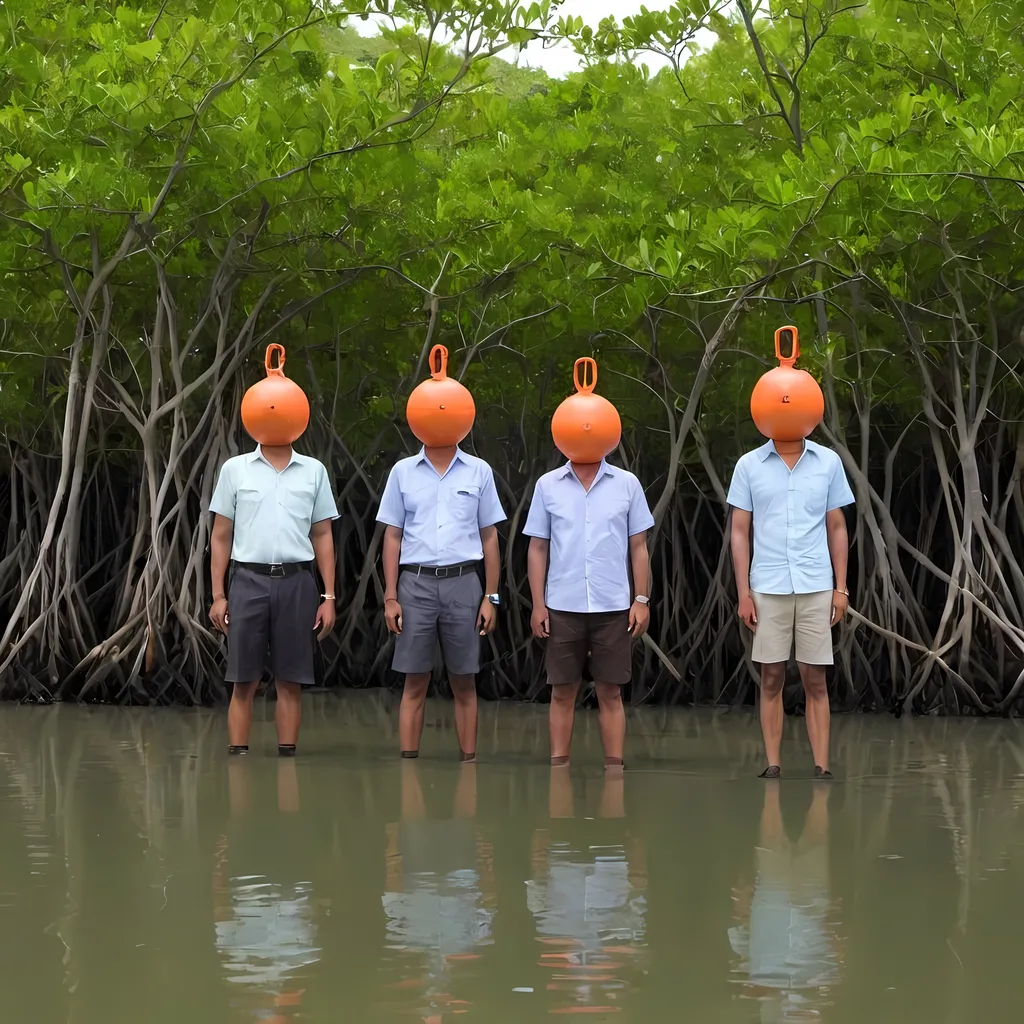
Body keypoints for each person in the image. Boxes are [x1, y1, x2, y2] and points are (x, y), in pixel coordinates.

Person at [728, 326, 854, 779]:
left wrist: (842, 589)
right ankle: (773, 763)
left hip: (817, 583)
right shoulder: (748, 465)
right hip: (768, 586)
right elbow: (739, 532)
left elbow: (837, 525)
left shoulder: (829, 462)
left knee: (816, 676)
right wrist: (743, 592)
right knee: (771, 676)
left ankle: (821, 766)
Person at [208, 343, 339, 757]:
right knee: (242, 680)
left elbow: (322, 535)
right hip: (247, 581)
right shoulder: (235, 470)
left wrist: (329, 596)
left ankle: (287, 762)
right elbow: (220, 536)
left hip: (297, 583)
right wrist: (217, 594)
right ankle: (239, 761)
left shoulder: (313, 471)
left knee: (290, 680)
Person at [524, 357, 654, 770]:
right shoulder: (547, 485)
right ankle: (559, 767)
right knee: (562, 690)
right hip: (561, 605)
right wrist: (538, 604)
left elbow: (639, 547)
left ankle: (614, 769)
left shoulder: (627, 484)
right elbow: (537, 548)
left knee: (611, 691)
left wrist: (641, 598)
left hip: (613, 605)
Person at [378, 344, 505, 762]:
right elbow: (392, 536)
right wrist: (391, 596)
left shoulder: (479, 471)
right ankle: (408, 767)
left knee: (464, 681)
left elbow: (489, 537)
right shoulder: (401, 472)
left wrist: (492, 596)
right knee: (414, 680)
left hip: (464, 585)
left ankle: (468, 764)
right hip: (414, 585)